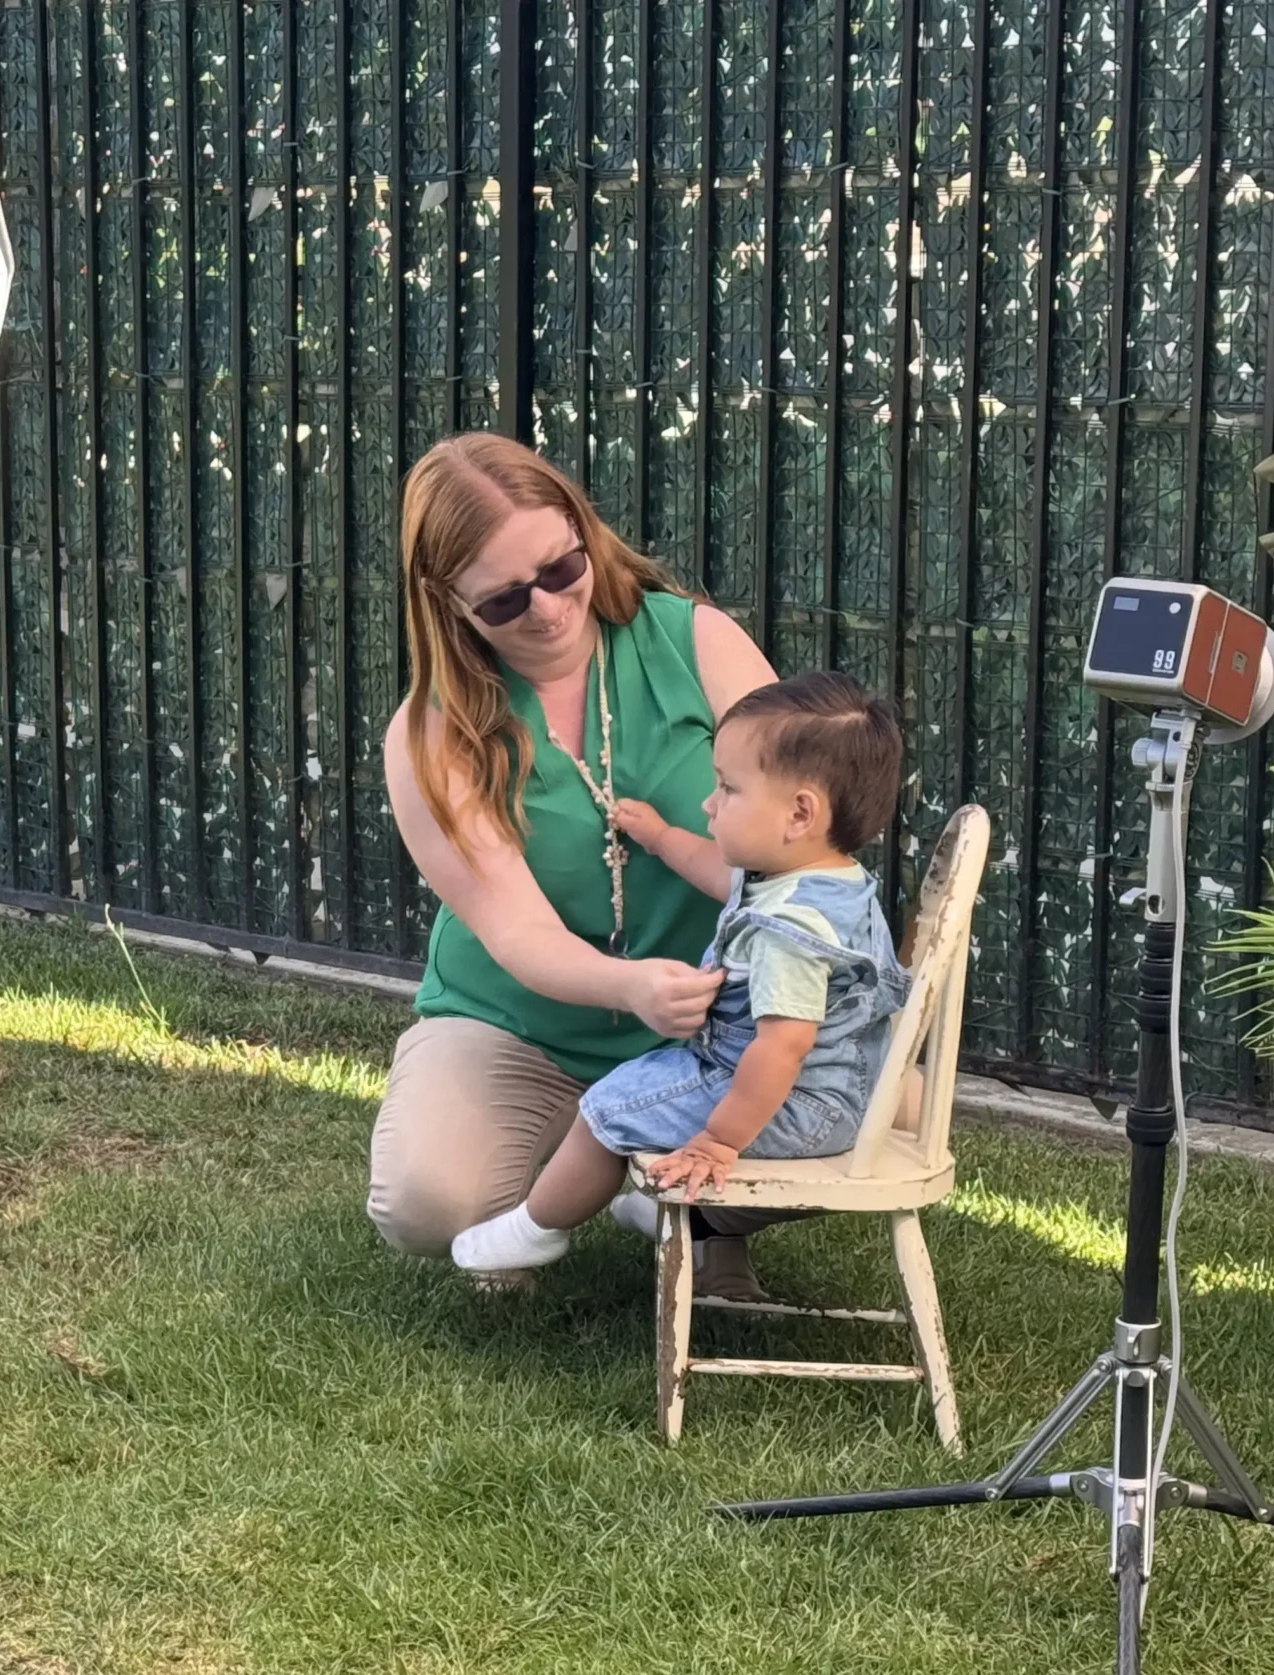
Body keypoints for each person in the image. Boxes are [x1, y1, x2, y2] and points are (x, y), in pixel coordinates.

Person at [367, 432, 778, 1287]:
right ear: (446, 604)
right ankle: (597, 1162)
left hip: (711, 1022)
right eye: (505, 601)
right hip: (517, 1021)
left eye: (560, 569)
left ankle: (665, 1199)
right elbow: (516, 932)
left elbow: (795, 837)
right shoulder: (427, 733)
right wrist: (629, 987)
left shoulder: (697, 639)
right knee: (424, 1204)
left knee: (879, 1107)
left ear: (584, 530)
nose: (549, 608)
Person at [449, 673, 909, 1274]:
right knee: (648, 1086)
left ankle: (536, 1228)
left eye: (727, 789)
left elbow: (783, 1048)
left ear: (799, 813)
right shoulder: (824, 879)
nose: (708, 804)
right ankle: (663, 1210)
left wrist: (721, 1140)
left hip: (793, 1105)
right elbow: (723, 880)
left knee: (610, 1107)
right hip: (838, 1094)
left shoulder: (789, 933)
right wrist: (661, 838)